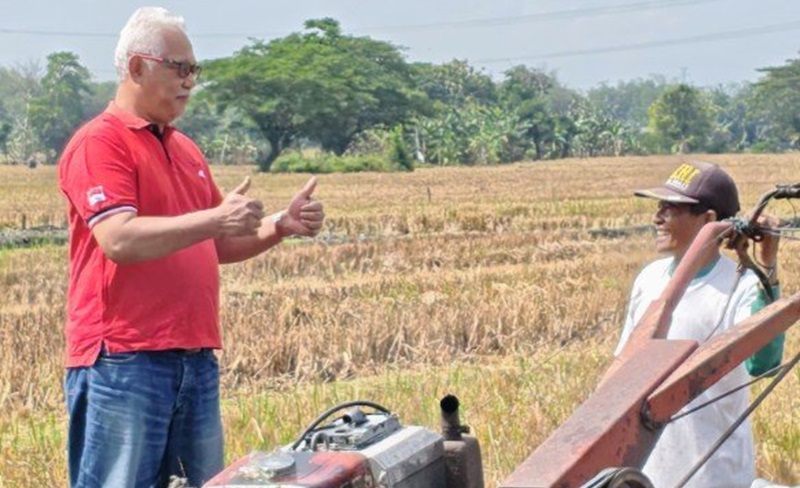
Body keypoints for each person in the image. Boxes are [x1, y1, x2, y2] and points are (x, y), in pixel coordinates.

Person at [58, 7, 324, 488]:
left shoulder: (185, 149)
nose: (189, 81)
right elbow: (118, 238)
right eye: (178, 68)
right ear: (137, 67)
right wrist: (216, 218)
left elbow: (217, 242)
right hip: (124, 358)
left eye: (194, 69)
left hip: (194, 358)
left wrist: (280, 225)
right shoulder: (101, 143)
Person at [615, 161, 785, 488]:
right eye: (659, 207)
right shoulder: (649, 279)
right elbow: (625, 368)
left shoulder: (742, 285)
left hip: (713, 475)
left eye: (671, 209)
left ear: (708, 220)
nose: (657, 218)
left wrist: (767, 266)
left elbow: (764, 364)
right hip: (648, 472)